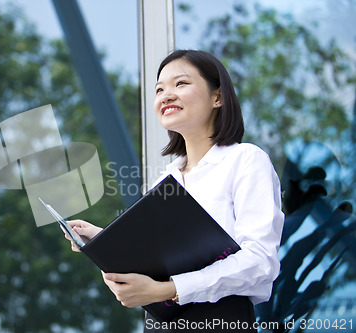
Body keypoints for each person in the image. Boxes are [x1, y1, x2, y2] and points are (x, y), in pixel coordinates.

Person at [63, 50, 284, 332]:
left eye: (180, 84)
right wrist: (101, 240)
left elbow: (259, 262)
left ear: (218, 97)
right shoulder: (166, 179)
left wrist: (168, 289)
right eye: (159, 89)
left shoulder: (245, 160)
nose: (166, 95)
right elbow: (156, 259)